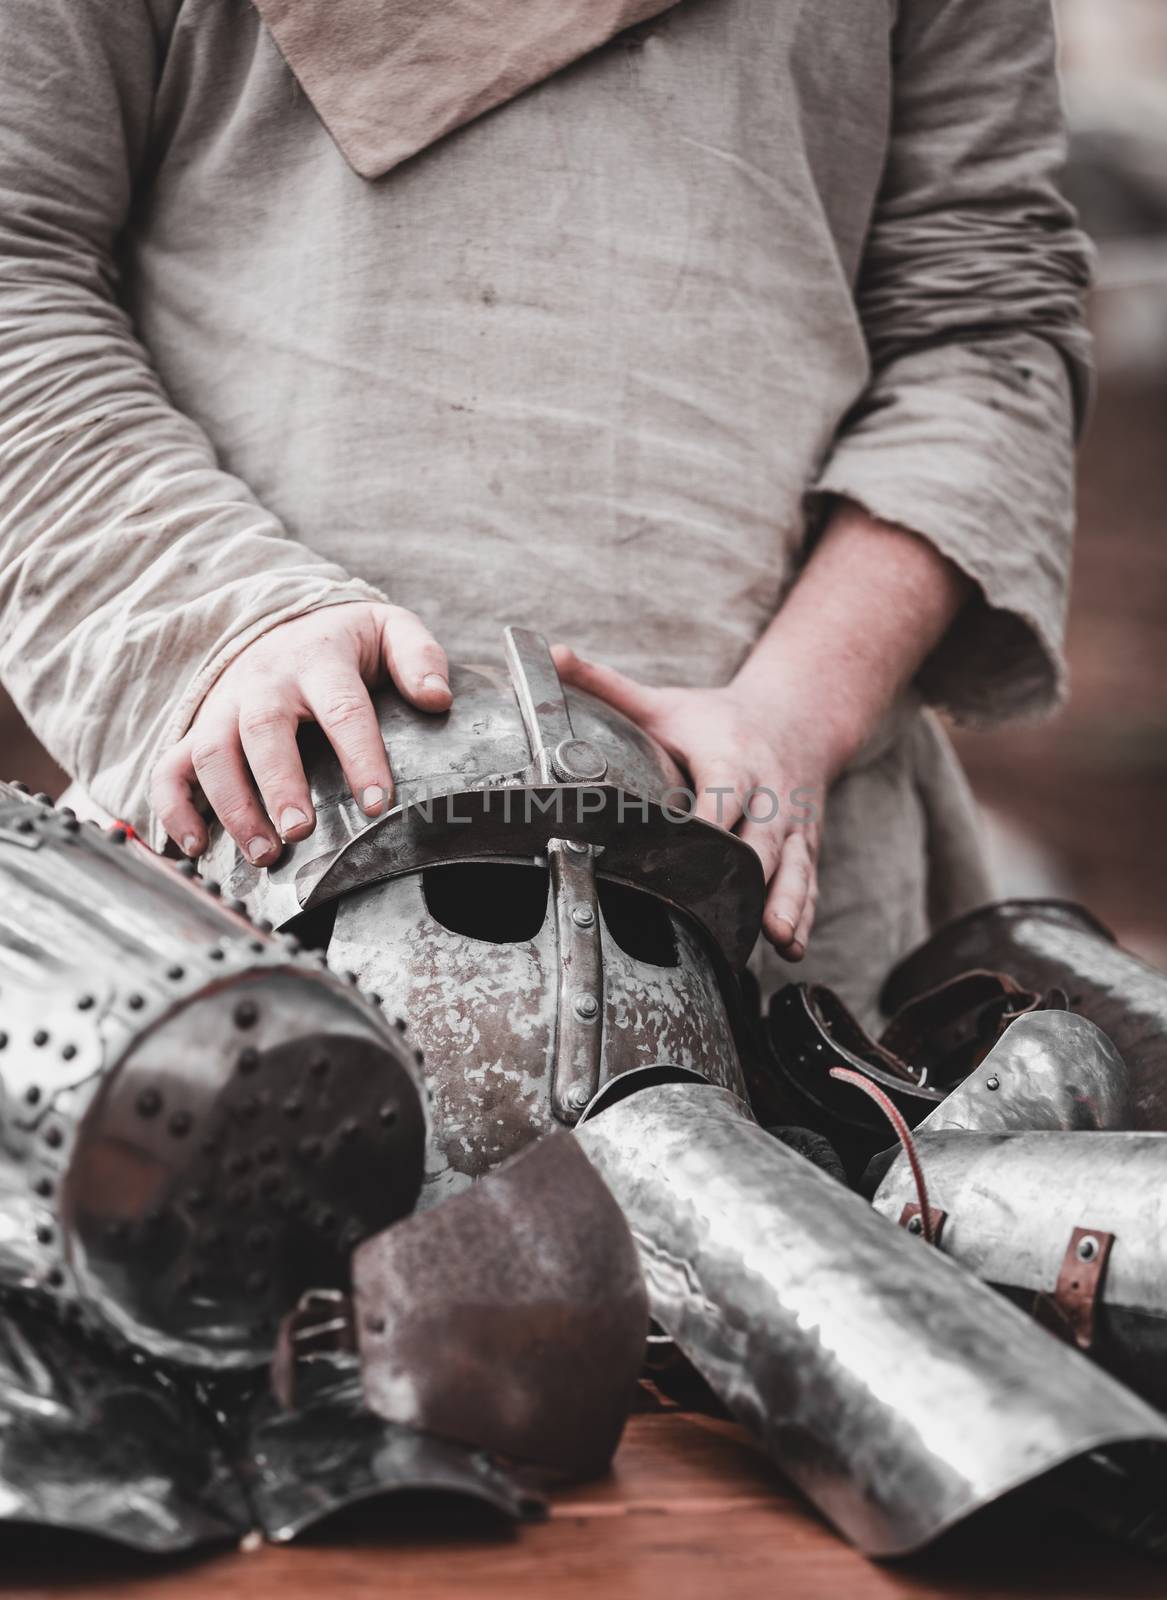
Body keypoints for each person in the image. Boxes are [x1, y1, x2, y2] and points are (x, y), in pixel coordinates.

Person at [0, 0, 1091, 1022]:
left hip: (772, 904)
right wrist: (219, 611)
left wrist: (797, 712)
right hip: (239, 885)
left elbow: (985, 323)